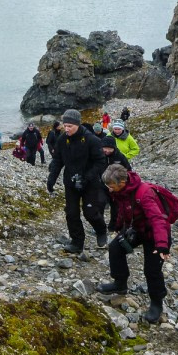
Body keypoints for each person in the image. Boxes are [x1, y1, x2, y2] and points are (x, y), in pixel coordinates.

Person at [96, 165, 171, 323]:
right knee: (115, 247)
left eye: (111, 186)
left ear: (122, 182)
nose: (109, 190)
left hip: (155, 234)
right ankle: (120, 283)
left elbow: (158, 220)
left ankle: (157, 303)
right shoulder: (122, 191)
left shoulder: (144, 194)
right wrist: (118, 228)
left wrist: (162, 245)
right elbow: (124, 211)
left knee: (152, 270)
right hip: (137, 229)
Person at [46, 109, 108, 254]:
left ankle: (101, 230)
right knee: (71, 213)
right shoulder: (62, 139)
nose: (66, 129)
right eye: (65, 125)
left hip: (90, 182)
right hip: (71, 181)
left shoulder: (91, 140)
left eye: (70, 126)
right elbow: (57, 160)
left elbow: (100, 162)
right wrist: (51, 179)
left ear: (78, 125)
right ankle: (77, 242)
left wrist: (86, 177)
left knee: (90, 212)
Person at [100, 135, 132, 231]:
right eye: (105, 148)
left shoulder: (120, 157)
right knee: (99, 205)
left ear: (114, 147)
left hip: (116, 187)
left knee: (116, 208)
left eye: (109, 148)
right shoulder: (99, 155)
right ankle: (100, 227)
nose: (107, 150)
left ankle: (113, 226)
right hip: (102, 185)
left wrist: (122, 185)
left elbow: (128, 170)